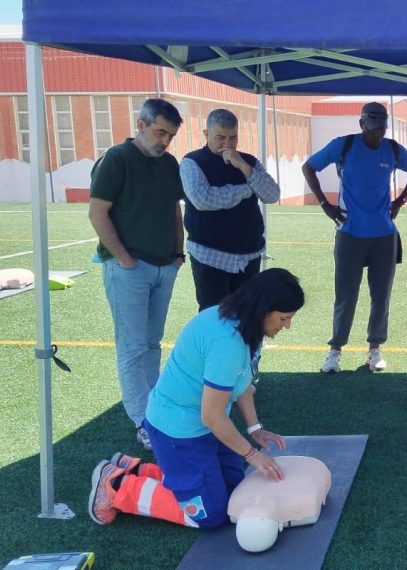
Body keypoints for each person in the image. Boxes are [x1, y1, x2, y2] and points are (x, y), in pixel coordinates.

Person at [87, 268, 304, 529]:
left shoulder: (241, 322)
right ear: (263, 309)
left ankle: (136, 470)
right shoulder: (227, 342)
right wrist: (252, 455)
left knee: (236, 489)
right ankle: (118, 485)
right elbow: (212, 416)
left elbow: (241, 381)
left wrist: (255, 429)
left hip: (200, 427)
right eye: (284, 318)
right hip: (178, 432)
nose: (287, 326)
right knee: (210, 514)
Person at [89, 98, 185, 450]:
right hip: (129, 270)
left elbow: (174, 211)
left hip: (164, 266)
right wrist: (125, 260)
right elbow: (98, 214)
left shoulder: (168, 163)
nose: (164, 141)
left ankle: (155, 410)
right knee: (131, 348)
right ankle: (143, 421)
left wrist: (177, 254)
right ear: (140, 125)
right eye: (160, 132)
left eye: (170, 136)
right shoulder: (116, 159)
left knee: (151, 343)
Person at [302, 102, 407, 373]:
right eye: (372, 130)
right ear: (361, 125)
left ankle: (374, 350)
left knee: (381, 295)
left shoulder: (392, 149)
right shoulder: (342, 146)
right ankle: (335, 351)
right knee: (346, 295)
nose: (377, 135)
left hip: (384, 236)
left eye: (381, 130)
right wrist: (324, 204)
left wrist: (400, 200)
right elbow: (308, 167)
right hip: (349, 234)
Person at [181, 108, 281, 312]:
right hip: (209, 255)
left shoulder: (249, 161)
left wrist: (243, 167)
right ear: (206, 134)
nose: (227, 144)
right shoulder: (192, 162)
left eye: (233, 138)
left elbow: (272, 195)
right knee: (213, 316)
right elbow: (203, 199)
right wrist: (247, 188)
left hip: (249, 255)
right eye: (220, 138)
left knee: (247, 316)